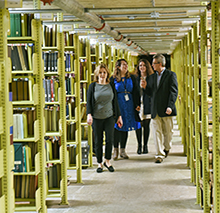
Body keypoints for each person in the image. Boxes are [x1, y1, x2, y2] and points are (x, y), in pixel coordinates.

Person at [141, 54, 178, 163]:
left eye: (154, 63)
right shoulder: (151, 77)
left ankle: (166, 147)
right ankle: (159, 154)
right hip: (155, 110)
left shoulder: (171, 75)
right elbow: (150, 93)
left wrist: (170, 106)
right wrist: (144, 88)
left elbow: (173, 91)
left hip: (167, 109)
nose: (152, 65)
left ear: (160, 64)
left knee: (168, 133)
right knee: (156, 132)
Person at [87, 63, 122, 173]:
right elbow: (89, 102)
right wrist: (89, 114)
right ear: (97, 74)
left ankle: (107, 161)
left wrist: (119, 116)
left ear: (107, 74)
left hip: (109, 116)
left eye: (104, 72)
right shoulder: (93, 86)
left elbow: (115, 101)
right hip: (97, 117)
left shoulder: (111, 85)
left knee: (109, 139)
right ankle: (99, 163)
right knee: (98, 140)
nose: (102, 75)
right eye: (100, 72)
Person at [111, 59, 141, 160]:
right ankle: (115, 149)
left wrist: (137, 104)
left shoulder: (132, 77)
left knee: (125, 127)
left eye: (126, 64)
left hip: (129, 104)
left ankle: (123, 150)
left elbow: (136, 91)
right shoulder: (113, 78)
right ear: (118, 67)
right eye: (123, 65)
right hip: (118, 104)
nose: (126, 66)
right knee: (117, 127)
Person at [134, 59, 154, 154]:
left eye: (144, 65)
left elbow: (152, 93)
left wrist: (145, 87)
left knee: (146, 125)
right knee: (138, 125)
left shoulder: (151, 78)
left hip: (147, 104)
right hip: (138, 105)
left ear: (147, 67)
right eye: (140, 65)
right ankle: (139, 146)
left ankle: (145, 145)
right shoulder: (135, 78)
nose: (142, 67)